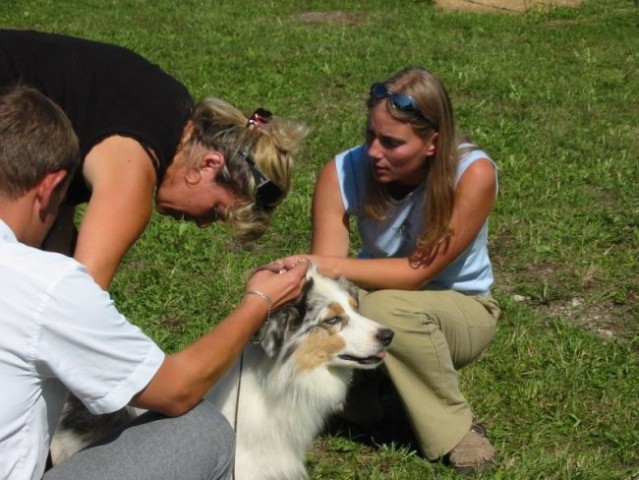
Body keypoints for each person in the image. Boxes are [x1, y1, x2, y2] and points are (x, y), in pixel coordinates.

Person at [0, 85, 309, 480]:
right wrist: (260, 301)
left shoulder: (152, 110)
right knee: (201, 430)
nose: (200, 225)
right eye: (214, 211)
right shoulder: (49, 285)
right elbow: (176, 389)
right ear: (50, 188)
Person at [276, 67, 500, 473]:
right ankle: (358, 396)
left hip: (462, 310)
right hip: (378, 298)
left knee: (386, 308)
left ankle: (456, 428)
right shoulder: (342, 170)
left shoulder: (472, 173)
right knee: (336, 307)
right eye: (370, 136)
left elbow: (418, 273)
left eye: (392, 143)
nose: (375, 152)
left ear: (433, 143)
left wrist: (320, 264)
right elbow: (327, 285)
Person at [0, 29, 308, 290]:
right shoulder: (133, 172)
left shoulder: (166, 106)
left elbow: (54, 237)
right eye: (215, 211)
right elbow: (78, 301)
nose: (202, 224)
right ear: (209, 164)